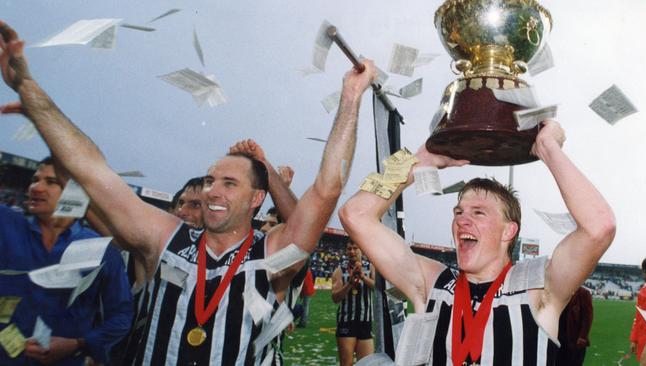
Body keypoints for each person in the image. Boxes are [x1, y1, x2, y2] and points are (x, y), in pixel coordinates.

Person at [0, 20, 377, 365]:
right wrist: (29, 88)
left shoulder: (272, 255)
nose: (213, 190)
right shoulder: (165, 237)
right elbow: (92, 171)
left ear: (256, 199)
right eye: (211, 180)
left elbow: (327, 188)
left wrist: (350, 98)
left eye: (229, 184)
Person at [339, 121, 616, 365]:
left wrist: (548, 149)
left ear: (509, 231)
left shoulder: (539, 286)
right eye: (458, 211)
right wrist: (421, 159)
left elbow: (599, 227)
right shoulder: (433, 282)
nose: (462, 219)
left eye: (478, 212)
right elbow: (355, 214)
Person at [0, 157, 133, 365]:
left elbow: (121, 317)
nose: (36, 187)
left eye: (51, 182)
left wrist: (78, 344)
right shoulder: (7, 227)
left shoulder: (100, 251)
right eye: (35, 179)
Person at [331, 241, 375, 366]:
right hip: (346, 322)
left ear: (361, 249)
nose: (352, 251)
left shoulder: (370, 267)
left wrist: (363, 278)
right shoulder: (340, 270)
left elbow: (377, 290)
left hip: (365, 321)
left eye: (355, 248)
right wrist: (349, 283)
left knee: (366, 363)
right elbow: (335, 298)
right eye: (349, 248)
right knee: (346, 363)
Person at [557, 286, 593, 365]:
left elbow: (587, 318)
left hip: (574, 341)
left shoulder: (583, 293)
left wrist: (582, 337)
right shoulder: (558, 293)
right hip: (558, 340)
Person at [630, 257, 646, 363]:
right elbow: (638, 318)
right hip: (643, 339)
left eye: (644, 272)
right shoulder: (642, 292)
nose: (642, 275)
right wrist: (634, 340)